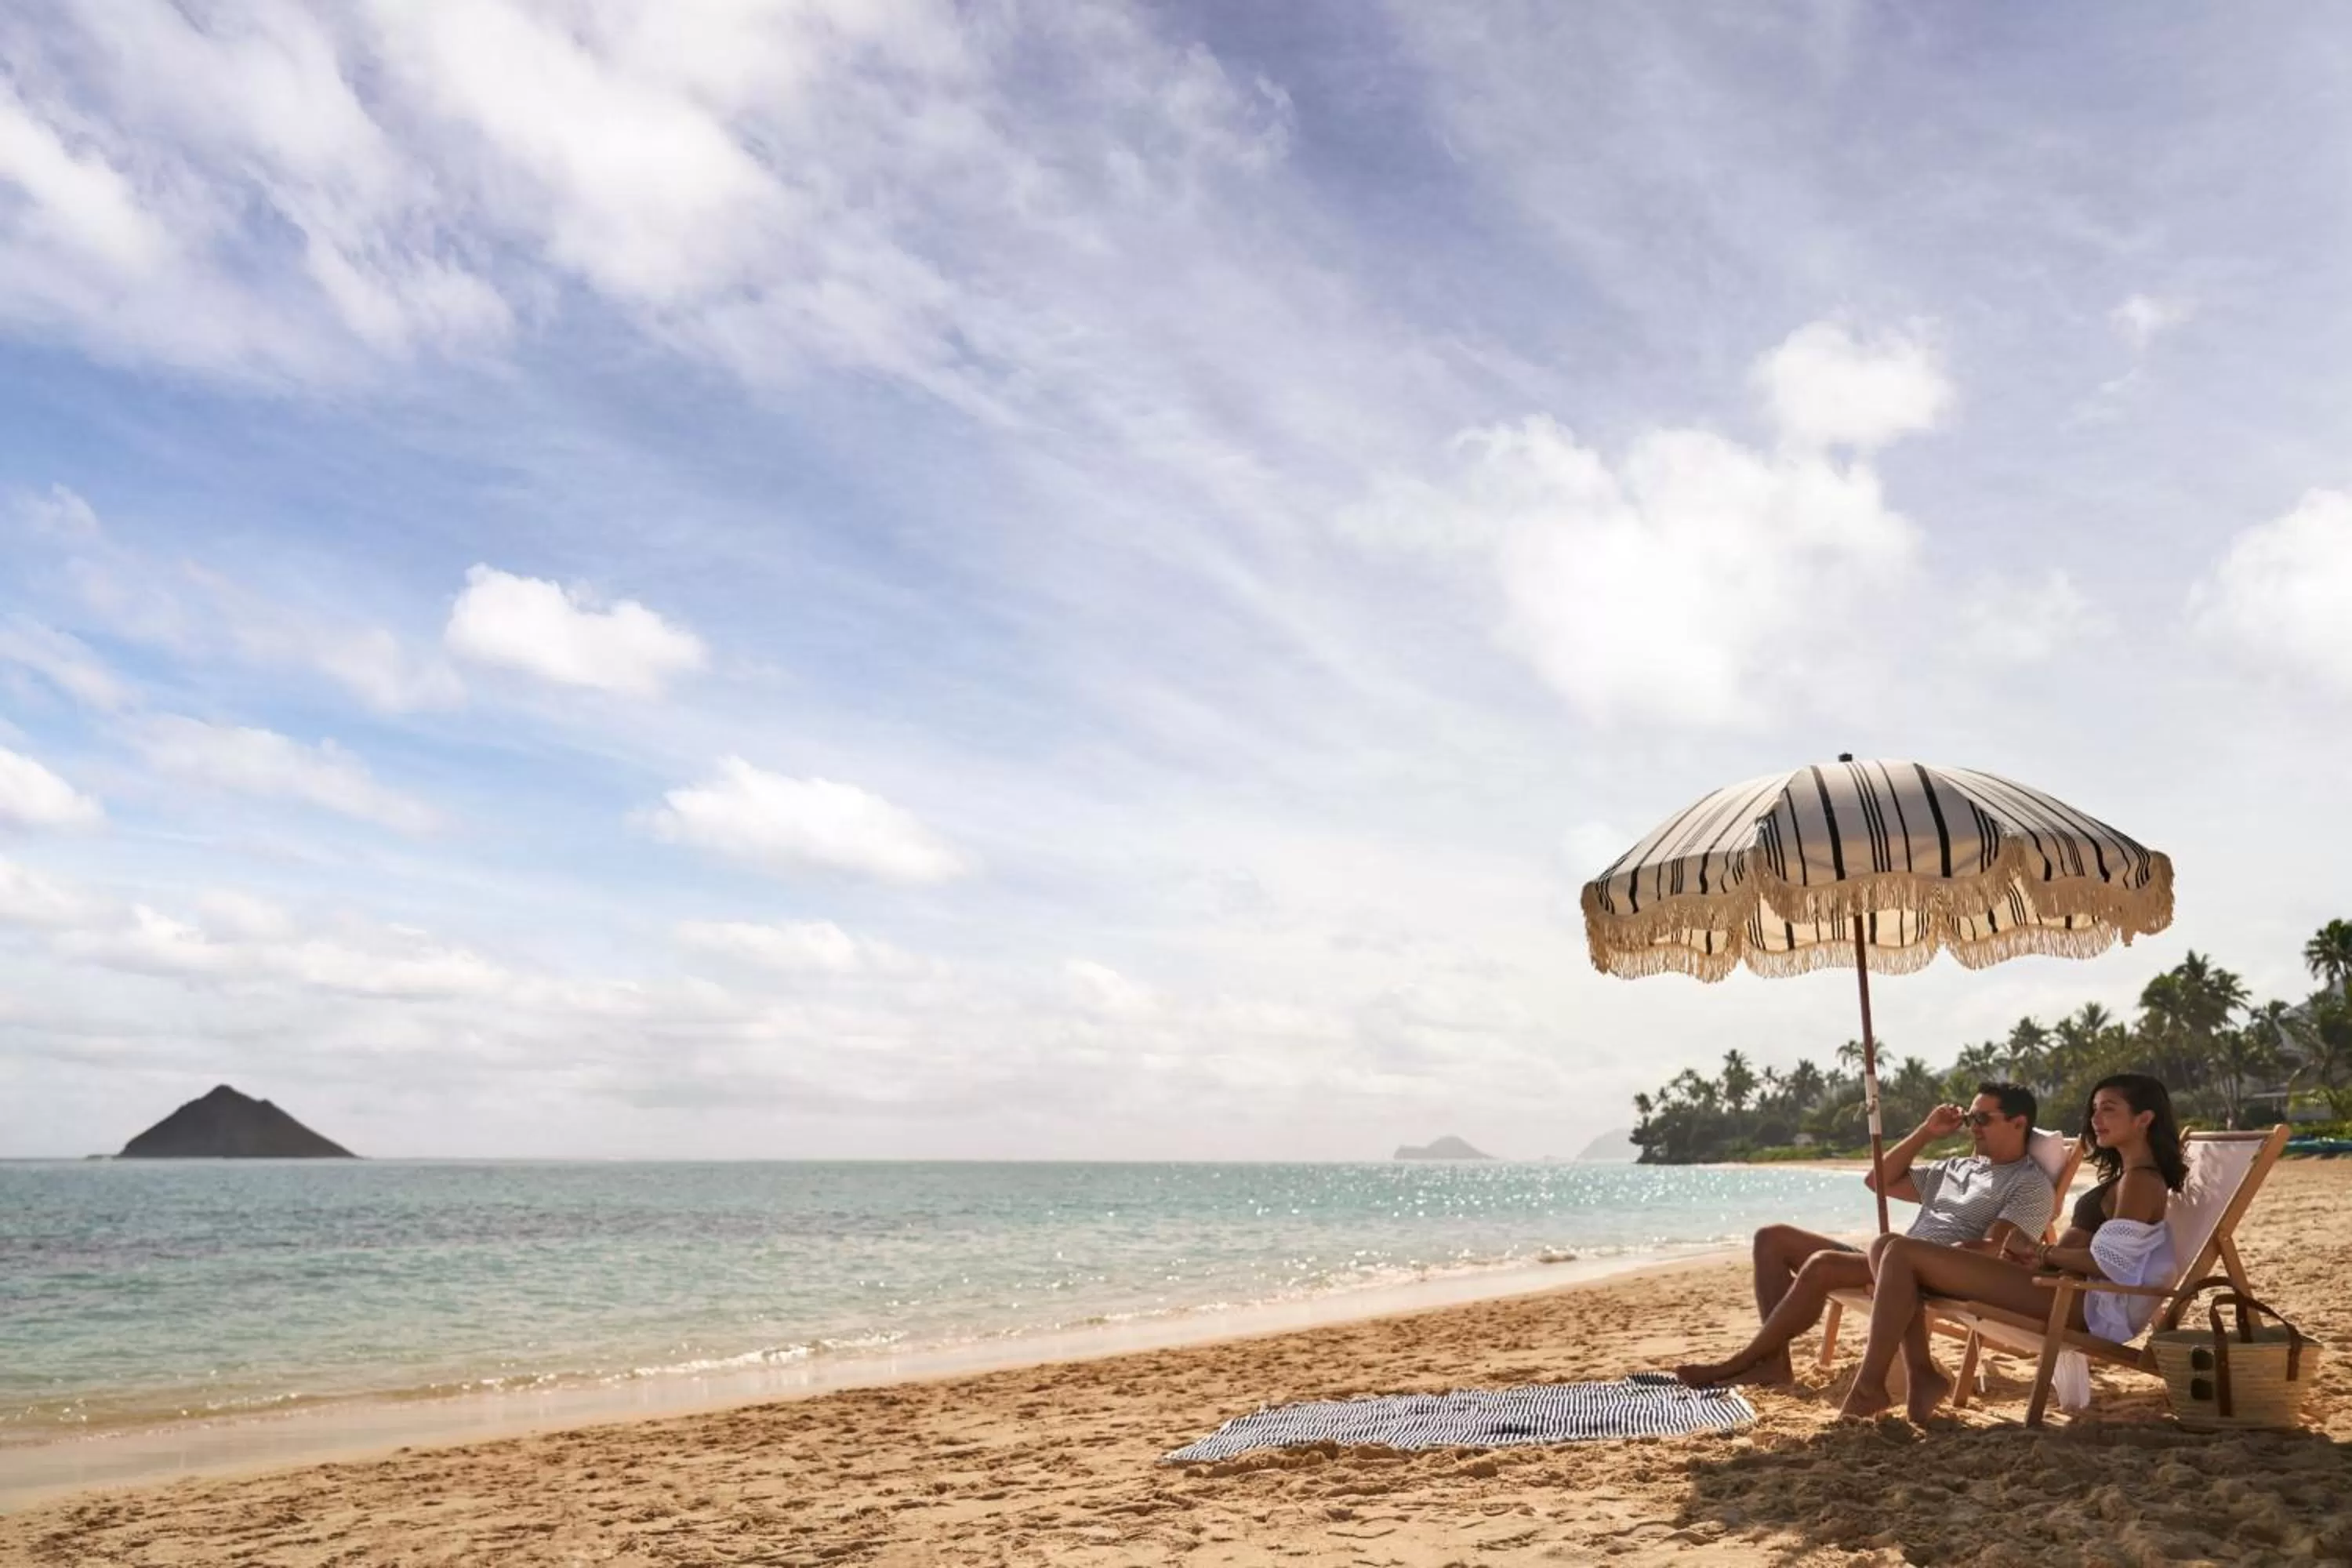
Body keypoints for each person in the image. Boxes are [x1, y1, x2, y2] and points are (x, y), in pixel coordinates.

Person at [1836, 1072, 2185, 1423]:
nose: (2095, 1119)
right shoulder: (2127, 1177)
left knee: (1900, 1253)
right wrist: (2038, 1259)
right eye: (2094, 1109)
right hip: (2061, 1286)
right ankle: (1919, 1374)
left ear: (2144, 1119)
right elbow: (2095, 1253)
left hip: (2081, 1306)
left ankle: (1871, 1387)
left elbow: (2115, 1264)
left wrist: (2042, 1252)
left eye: (2108, 1109)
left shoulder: (2141, 1180)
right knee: (1887, 1245)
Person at [1675, 1082, 2055, 1388]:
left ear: (2018, 1123)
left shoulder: (2029, 1185)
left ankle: (1741, 1362)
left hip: (1929, 1274)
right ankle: (1773, 1363)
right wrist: (1926, 1132)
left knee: (1824, 1265)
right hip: (1893, 1259)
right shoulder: (1957, 1168)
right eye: (1970, 1118)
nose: (1973, 1126)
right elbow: (1878, 1180)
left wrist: (1933, 1260)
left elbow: (1998, 1251)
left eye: (1982, 1119)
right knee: (1772, 1239)